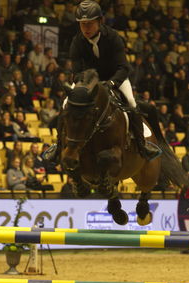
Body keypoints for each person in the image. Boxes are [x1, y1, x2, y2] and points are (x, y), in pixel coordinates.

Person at [45, 0, 159, 162]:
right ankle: (58, 146)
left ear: (100, 21)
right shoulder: (77, 41)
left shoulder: (113, 38)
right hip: (87, 81)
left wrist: (111, 83)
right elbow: (77, 71)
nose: (86, 29)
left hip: (115, 78)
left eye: (89, 24)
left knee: (132, 103)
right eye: (82, 24)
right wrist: (87, 85)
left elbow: (123, 68)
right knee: (65, 104)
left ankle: (142, 145)